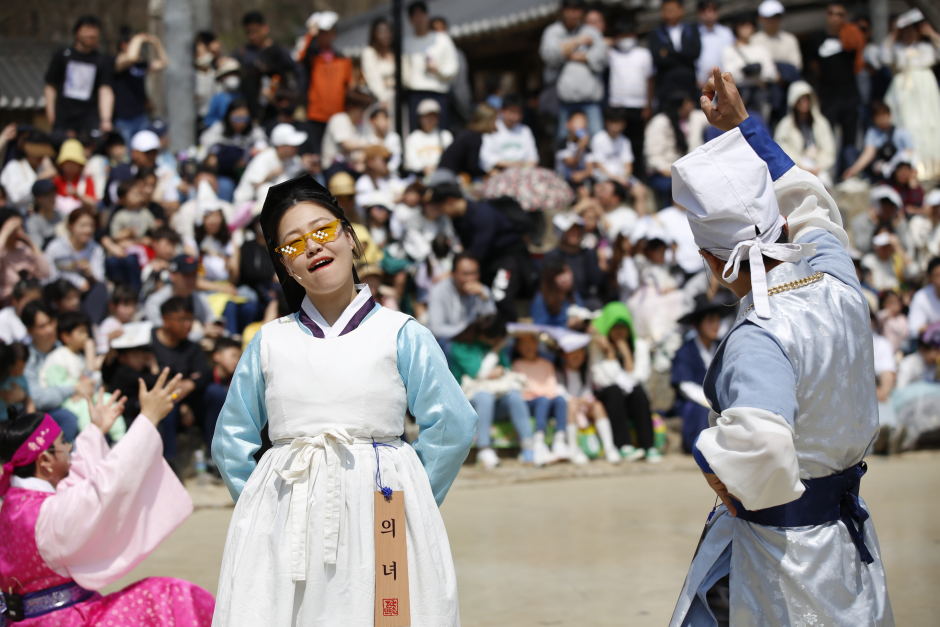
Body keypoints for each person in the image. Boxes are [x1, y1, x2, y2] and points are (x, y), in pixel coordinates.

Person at [669, 68, 891, 626]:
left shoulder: (757, 337)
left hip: (783, 555)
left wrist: (713, 458)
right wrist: (745, 127)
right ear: (780, 225)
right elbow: (811, 199)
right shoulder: (837, 276)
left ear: (714, 263)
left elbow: (764, 449)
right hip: (846, 533)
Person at [211, 173, 476, 625]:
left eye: (323, 230)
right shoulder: (269, 343)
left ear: (350, 238)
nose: (312, 246)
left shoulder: (401, 333)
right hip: (286, 526)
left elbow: (452, 425)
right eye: (293, 243)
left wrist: (409, 495)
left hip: (381, 516)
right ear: (285, 266)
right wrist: (265, 510)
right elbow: (230, 441)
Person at [0, 376, 216, 626]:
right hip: (63, 620)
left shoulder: (15, 503)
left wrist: (95, 431)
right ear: (45, 461)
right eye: (63, 443)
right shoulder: (46, 514)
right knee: (171, 596)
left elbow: (78, 486)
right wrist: (147, 420)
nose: (70, 447)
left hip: (33, 618)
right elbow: (105, 487)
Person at [429, 181, 531, 319]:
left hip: (509, 257)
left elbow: (477, 252)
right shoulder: (458, 219)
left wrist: (451, 273)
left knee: (500, 297)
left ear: (450, 201)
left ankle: (509, 337)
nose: (443, 213)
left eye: (442, 208)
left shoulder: (482, 214)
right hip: (487, 262)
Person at [450, 314, 532, 470]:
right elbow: (479, 374)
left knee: (514, 395)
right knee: (484, 396)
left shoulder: (496, 341)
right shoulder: (460, 345)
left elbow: (505, 370)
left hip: (497, 398)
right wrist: (495, 350)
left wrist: (497, 369)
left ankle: (529, 445)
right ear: (484, 335)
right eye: (495, 340)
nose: (498, 342)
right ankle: (484, 449)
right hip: (470, 402)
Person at [38, 311, 126, 440]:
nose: (85, 336)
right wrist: (78, 388)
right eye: (80, 332)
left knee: (107, 398)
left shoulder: (79, 356)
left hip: (81, 396)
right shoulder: (58, 356)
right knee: (87, 407)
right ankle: (91, 441)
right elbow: (55, 384)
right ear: (66, 336)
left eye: (86, 332)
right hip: (65, 401)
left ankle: (120, 438)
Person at [589, 302, 659, 462]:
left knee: (639, 393)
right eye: (614, 326)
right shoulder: (598, 347)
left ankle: (648, 446)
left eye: (623, 325)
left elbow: (640, 377)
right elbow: (602, 380)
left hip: (631, 397)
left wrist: (627, 354)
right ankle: (623, 445)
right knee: (613, 391)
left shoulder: (640, 346)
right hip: (610, 398)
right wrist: (610, 353)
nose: (619, 330)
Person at [150, 296, 213, 465]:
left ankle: (214, 454)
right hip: (158, 402)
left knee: (215, 393)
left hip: (188, 401)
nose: (188, 324)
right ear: (166, 320)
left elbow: (205, 374)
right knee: (168, 397)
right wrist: (179, 397)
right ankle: (169, 461)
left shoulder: (191, 347)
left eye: (190, 319)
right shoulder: (149, 341)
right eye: (182, 319)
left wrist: (190, 383)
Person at [880, 8, 940, 182]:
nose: (909, 33)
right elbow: (883, 58)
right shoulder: (897, 48)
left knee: (931, 124)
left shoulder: (926, 47)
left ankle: (933, 167)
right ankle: (914, 167)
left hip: (926, 91)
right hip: (905, 93)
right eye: (905, 30)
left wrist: (931, 33)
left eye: (912, 29)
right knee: (909, 125)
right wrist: (892, 35)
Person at [807, 1, 865, 171]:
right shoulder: (816, 39)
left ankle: (850, 174)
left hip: (850, 94)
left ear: (844, 16)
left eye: (839, 14)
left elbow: (860, 59)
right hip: (828, 96)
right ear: (826, 15)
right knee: (827, 137)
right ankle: (828, 173)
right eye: (831, 13)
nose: (835, 17)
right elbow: (813, 65)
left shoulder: (852, 36)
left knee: (850, 139)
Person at [539, 0, 608, 140]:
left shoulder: (592, 32)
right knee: (563, 142)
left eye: (576, 10)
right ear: (562, 11)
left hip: (591, 100)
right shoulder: (552, 31)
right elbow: (549, 56)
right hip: (564, 101)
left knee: (598, 140)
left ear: (582, 12)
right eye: (569, 9)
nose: (572, 14)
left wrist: (568, 53)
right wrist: (578, 41)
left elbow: (601, 57)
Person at [672, 296, 726, 453]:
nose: (715, 325)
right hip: (694, 402)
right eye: (710, 321)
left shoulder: (722, 347)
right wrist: (709, 401)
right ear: (697, 325)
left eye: (717, 320)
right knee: (703, 412)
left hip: (721, 399)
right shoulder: (685, 351)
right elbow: (684, 385)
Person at [43, 15, 114, 134]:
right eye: (87, 30)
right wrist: (51, 114)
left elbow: (105, 89)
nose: (91, 34)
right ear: (77, 32)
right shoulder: (63, 55)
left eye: (94, 31)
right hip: (64, 117)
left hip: (89, 118)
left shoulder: (102, 60)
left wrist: (106, 119)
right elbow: (50, 86)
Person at [557, 336, 622, 464]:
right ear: (564, 355)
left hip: (583, 407)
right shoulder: (559, 372)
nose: (576, 356)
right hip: (567, 409)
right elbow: (560, 393)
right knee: (571, 405)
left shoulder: (586, 372)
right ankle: (573, 448)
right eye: (572, 352)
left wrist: (585, 400)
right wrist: (578, 400)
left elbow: (588, 393)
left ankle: (609, 447)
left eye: (579, 352)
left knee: (598, 406)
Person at [512, 330, 570, 465]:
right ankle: (539, 441)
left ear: (536, 344)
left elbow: (552, 387)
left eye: (530, 342)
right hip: (529, 402)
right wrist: (542, 393)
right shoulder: (517, 365)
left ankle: (560, 440)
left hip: (545, 399)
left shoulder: (547, 364)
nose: (528, 346)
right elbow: (524, 389)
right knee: (543, 400)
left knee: (560, 400)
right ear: (518, 348)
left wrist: (542, 393)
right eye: (523, 344)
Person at [299, 11, 352, 154]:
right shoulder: (312, 59)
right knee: (316, 153)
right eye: (321, 33)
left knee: (334, 155)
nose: (325, 36)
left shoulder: (343, 60)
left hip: (337, 116)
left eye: (328, 32)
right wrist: (311, 31)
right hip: (316, 115)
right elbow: (301, 55)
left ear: (334, 34)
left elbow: (349, 87)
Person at [44, 208, 109, 324]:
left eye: (91, 226)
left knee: (101, 289)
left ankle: (92, 325)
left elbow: (100, 279)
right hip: (61, 295)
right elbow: (49, 276)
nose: (88, 230)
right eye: (83, 225)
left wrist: (91, 274)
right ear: (70, 226)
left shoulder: (96, 249)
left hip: (86, 294)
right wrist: (75, 285)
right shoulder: (55, 247)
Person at [401, 1, 459, 132]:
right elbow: (403, 71)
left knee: (441, 133)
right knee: (416, 134)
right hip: (414, 94)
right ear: (410, 19)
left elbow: (453, 67)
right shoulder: (406, 43)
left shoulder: (442, 39)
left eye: (422, 14)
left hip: (438, 92)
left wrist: (438, 70)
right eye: (415, 15)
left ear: (427, 16)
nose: (419, 18)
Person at [607, 19, 654, 177]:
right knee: (617, 145)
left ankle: (639, 177)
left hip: (638, 106)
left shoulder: (644, 54)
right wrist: (612, 41)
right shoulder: (611, 54)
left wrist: (648, 106)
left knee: (637, 145)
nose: (626, 39)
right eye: (622, 35)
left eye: (628, 35)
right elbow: (598, 43)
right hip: (617, 106)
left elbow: (650, 80)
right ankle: (619, 177)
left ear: (634, 35)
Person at [644, 92, 708, 207]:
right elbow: (652, 155)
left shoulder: (694, 117)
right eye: (688, 103)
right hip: (663, 173)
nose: (692, 105)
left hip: (688, 171)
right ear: (679, 106)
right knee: (676, 188)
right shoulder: (660, 122)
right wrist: (669, 171)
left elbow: (713, 116)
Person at [773, 81, 837, 187]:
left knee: (824, 184)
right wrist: (800, 166)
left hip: (818, 167)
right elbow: (782, 150)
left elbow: (828, 149)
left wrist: (818, 167)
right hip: (796, 168)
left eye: (806, 98)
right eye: (800, 99)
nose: (804, 102)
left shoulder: (821, 123)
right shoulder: (785, 125)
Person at [112, 27, 169, 145]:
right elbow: (131, 57)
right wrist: (138, 37)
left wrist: (156, 42)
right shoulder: (117, 62)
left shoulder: (140, 65)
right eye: (135, 43)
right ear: (123, 44)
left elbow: (164, 62)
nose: (140, 48)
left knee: (142, 148)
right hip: (123, 118)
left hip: (141, 116)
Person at [427, 252, 496, 347]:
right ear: (453, 273)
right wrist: (467, 332)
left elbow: (492, 324)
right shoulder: (439, 291)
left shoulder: (482, 290)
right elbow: (436, 329)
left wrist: (485, 299)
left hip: (475, 341)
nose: (471, 278)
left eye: (474, 273)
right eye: (465, 274)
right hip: (449, 342)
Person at [144, 255, 220, 340]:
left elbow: (210, 321)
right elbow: (162, 337)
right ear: (173, 275)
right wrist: (201, 333)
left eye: (194, 274)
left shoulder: (198, 297)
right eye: (186, 275)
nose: (191, 279)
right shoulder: (155, 301)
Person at [752, 0, 803, 120]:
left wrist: (781, 74)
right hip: (765, 92)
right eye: (770, 18)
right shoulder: (755, 40)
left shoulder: (790, 39)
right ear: (762, 19)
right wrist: (775, 75)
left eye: (777, 17)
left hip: (788, 90)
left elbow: (797, 66)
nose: (774, 21)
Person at [721, 13, 778, 121]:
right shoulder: (728, 50)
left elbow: (771, 73)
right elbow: (729, 75)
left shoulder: (761, 49)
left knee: (762, 122)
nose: (747, 27)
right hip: (740, 94)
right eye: (743, 24)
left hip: (759, 94)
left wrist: (756, 71)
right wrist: (747, 72)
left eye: (750, 24)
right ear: (736, 27)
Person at [234, 123, 308, 205]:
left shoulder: (294, 159)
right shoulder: (263, 157)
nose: (296, 148)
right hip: (248, 206)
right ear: (280, 147)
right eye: (292, 145)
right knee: (265, 189)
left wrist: (308, 166)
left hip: (280, 205)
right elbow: (257, 186)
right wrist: (270, 175)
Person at [546, 212, 606, 310]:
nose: (575, 233)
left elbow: (596, 282)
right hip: (560, 302)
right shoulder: (552, 256)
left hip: (585, 302)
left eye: (577, 229)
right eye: (570, 230)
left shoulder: (588, 254)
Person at [843, 100, 915, 181]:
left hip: (897, 172)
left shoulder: (900, 132)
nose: (883, 120)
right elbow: (868, 153)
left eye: (885, 116)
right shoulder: (872, 133)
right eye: (879, 117)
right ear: (874, 119)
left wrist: (892, 166)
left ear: (889, 115)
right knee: (849, 150)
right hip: (878, 170)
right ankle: (857, 178)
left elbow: (910, 154)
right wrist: (854, 170)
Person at [649, 0, 701, 102]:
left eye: (672, 10)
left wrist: (668, 53)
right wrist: (684, 58)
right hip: (666, 86)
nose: (669, 14)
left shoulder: (691, 29)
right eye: (665, 10)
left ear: (682, 11)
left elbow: (695, 53)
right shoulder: (656, 32)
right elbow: (657, 59)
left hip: (689, 84)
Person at [0, 209, 51, 305]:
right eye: (15, 229)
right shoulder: (2, 250)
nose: (20, 232)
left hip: (32, 300)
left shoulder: (23, 248)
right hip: (8, 303)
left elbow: (45, 273)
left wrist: (32, 244)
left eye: (21, 227)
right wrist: (4, 233)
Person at [0, 131, 57, 214]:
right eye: (38, 155)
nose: (41, 158)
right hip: (16, 216)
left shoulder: (41, 168)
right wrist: (40, 179)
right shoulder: (13, 166)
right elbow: (15, 197)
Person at [479, 95, 539, 173]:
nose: (514, 116)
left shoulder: (525, 130)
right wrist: (511, 164)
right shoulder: (493, 127)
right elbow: (485, 157)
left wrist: (522, 166)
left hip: (523, 173)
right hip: (499, 172)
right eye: (511, 111)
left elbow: (533, 158)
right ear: (502, 111)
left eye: (518, 112)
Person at [320, 92, 372, 172]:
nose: (364, 111)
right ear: (351, 106)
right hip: (334, 166)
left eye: (365, 108)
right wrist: (368, 146)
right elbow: (347, 145)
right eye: (362, 108)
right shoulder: (339, 119)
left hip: (353, 166)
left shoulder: (361, 125)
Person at [851, 185, 908, 255]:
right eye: (883, 204)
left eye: (890, 205)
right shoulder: (860, 221)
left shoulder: (897, 221)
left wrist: (897, 227)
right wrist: (874, 224)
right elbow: (862, 248)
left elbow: (905, 247)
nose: (887, 209)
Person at [531, 256, 583, 328]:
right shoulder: (541, 299)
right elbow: (540, 328)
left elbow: (581, 311)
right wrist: (566, 325)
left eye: (567, 271)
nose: (566, 278)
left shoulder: (574, 294)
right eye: (559, 274)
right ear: (550, 279)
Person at [360, 18, 396, 119]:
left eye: (388, 30)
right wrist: (382, 98)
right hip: (379, 100)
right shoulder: (369, 52)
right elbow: (373, 77)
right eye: (381, 31)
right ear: (374, 33)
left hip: (398, 99)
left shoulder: (396, 52)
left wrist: (390, 82)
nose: (386, 34)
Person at [695, 1, 736, 89]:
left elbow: (733, 56)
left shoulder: (727, 33)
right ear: (698, 12)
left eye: (713, 10)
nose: (709, 14)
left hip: (725, 81)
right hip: (701, 83)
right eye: (704, 10)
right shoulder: (693, 33)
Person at [53, 139, 96, 214]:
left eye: (74, 163)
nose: (70, 166)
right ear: (62, 164)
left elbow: (93, 204)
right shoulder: (56, 181)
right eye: (68, 162)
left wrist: (77, 195)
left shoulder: (86, 180)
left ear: (80, 165)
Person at [907, 257, 940, 339]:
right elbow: (914, 329)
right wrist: (935, 327)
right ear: (929, 277)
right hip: (930, 346)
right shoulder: (921, 297)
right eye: (938, 275)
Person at [0, 279, 40, 345]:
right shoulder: (2, 319)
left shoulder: (42, 315)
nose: (34, 306)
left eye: (37, 301)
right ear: (15, 301)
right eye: (29, 302)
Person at [365, 105, 403, 176]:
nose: (385, 122)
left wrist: (387, 169)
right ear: (373, 121)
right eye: (381, 119)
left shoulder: (394, 137)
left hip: (392, 176)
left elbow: (397, 158)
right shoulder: (367, 139)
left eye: (386, 118)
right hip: (374, 177)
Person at [24, 179, 59, 249]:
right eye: (47, 195)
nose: (52, 198)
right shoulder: (33, 222)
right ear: (37, 199)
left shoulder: (62, 215)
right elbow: (38, 249)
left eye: (53, 193)